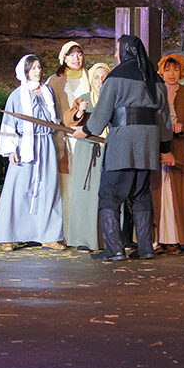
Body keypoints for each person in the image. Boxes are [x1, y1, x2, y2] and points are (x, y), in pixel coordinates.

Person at [73, 35, 174, 261]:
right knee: (141, 194)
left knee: (109, 194)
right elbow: (164, 117)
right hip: (148, 142)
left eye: (118, 50)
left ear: (126, 51)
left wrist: (87, 129)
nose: (116, 54)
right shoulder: (153, 77)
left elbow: (103, 111)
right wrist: (165, 146)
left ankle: (114, 249)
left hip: (123, 142)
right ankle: (146, 248)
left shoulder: (116, 77)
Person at [0, 55, 64, 251]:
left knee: (48, 189)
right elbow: (9, 124)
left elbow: (55, 119)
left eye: (39, 67)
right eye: (33, 68)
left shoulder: (48, 91)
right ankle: (8, 235)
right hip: (25, 146)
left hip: (46, 145)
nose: (37, 71)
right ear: (25, 71)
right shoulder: (17, 95)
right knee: (18, 189)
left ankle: (48, 235)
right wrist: (10, 149)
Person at [151, 53, 184, 253]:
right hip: (156, 145)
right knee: (157, 191)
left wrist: (182, 126)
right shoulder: (154, 91)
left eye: (175, 70)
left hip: (178, 145)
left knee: (175, 192)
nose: (171, 74)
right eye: (168, 70)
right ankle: (156, 239)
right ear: (161, 71)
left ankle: (173, 238)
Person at [62, 62, 111, 251]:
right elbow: (68, 120)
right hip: (88, 152)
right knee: (86, 195)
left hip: (109, 151)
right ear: (91, 80)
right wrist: (80, 111)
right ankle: (85, 239)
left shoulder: (114, 98)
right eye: (96, 77)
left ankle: (108, 239)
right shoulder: (84, 99)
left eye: (104, 77)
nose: (100, 81)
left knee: (108, 195)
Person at [46, 41, 91, 229]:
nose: (76, 58)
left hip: (88, 136)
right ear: (63, 58)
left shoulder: (90, 76)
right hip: (64, 139)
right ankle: (66, 230)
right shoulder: (54, 81)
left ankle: (85, 229)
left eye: (79, 53)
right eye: (71, 54)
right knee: (67, 184)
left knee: (86, 181)